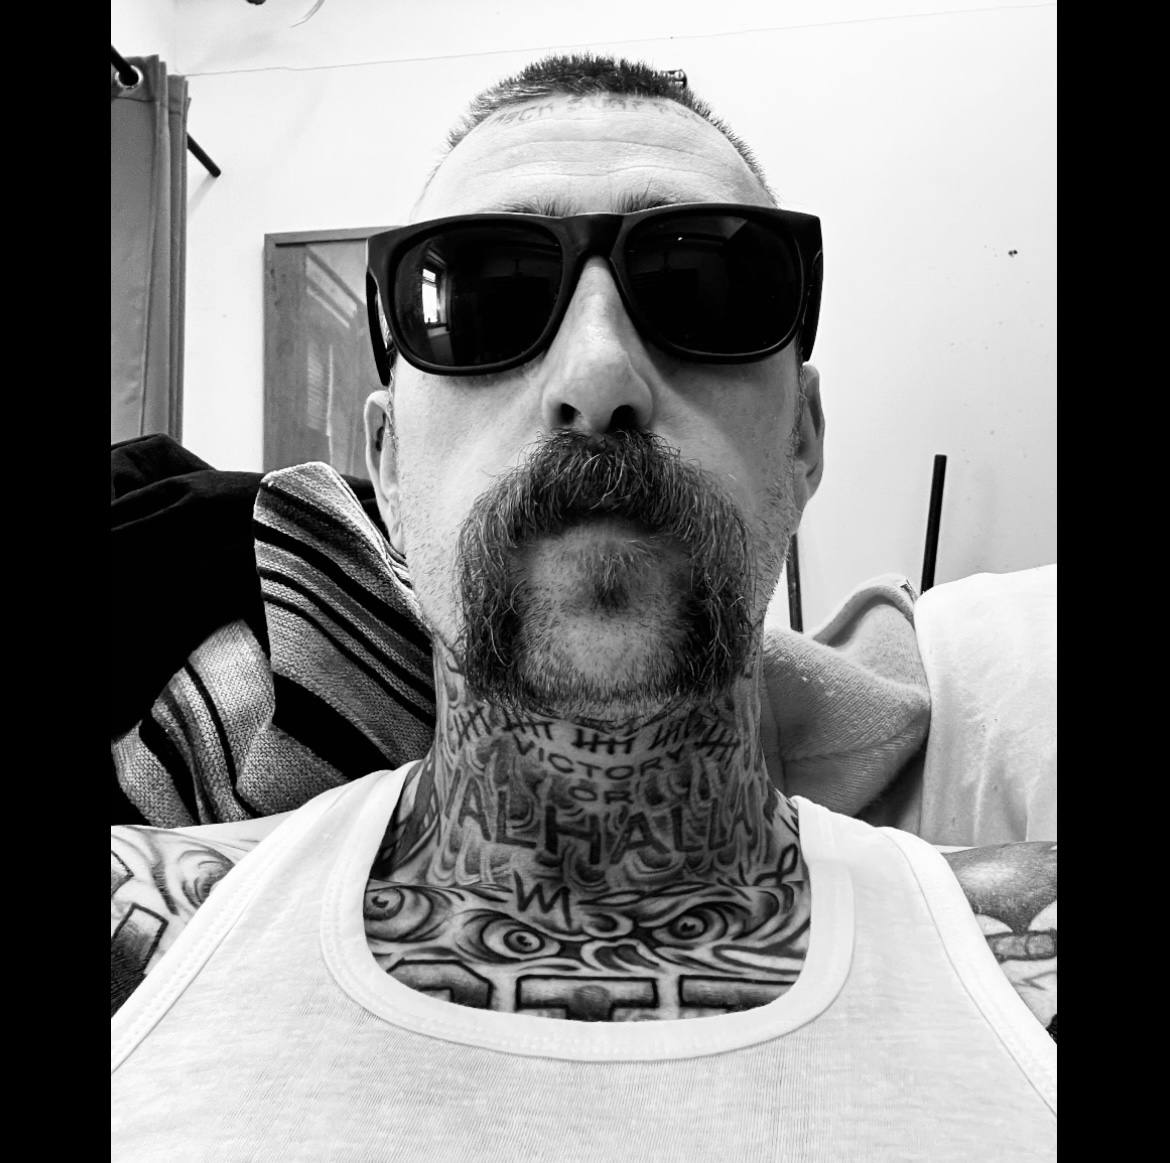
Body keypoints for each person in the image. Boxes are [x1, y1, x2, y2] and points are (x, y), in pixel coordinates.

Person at [111, 54, 1055, 1160]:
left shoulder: (1020, 970)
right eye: (485, 296)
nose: (599, 373)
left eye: (705, 287)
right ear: (389, 463)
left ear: (802, 440)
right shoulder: (146, 938)